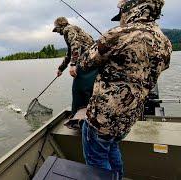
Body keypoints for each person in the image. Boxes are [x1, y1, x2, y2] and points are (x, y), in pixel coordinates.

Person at [76, 0, 172, 179]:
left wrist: (97, 45)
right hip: (128, 119)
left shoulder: (119, 34)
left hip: (102, 119)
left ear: (131, 9)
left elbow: (84, 64)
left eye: (121, 15)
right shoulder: (165, 42)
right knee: (113, 149)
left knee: (97, 162)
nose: (120, 20)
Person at [52, 17, 98, 120]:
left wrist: (73, 65)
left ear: (60, 26)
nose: (57, 32)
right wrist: (61, 69)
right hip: (92, 63)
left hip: (87, 62)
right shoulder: (74, 30)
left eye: (56, 29)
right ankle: (88, 116)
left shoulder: (68, 29)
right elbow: (69, 53)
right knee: (87, 89)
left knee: (78, 89)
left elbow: (75, 45)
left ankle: (78, 118)